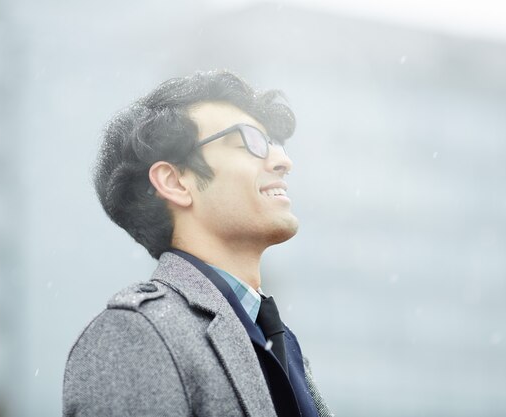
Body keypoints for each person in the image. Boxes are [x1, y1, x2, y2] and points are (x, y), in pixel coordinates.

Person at [62, 70, 332, 417]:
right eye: (250, 141)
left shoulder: (282, 344)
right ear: (174, 182)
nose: (283, 161)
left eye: (276, 144)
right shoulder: (136, 334)